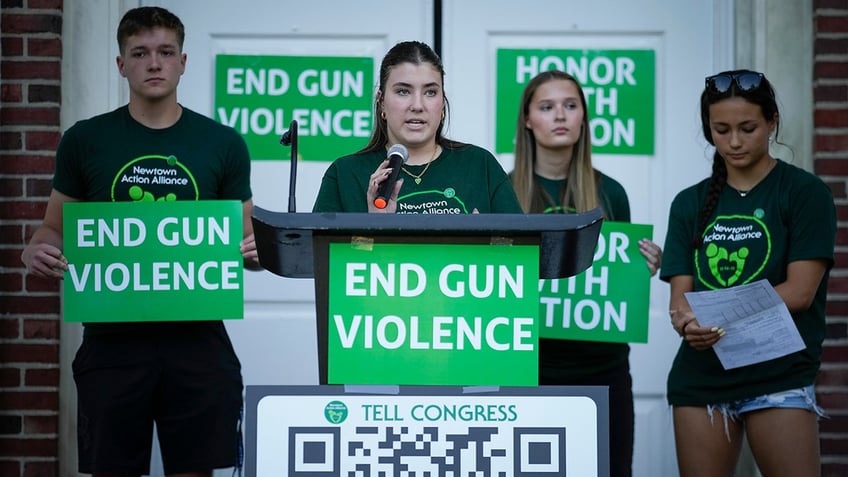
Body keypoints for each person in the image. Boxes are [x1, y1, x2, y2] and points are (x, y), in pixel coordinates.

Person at [20, 7, 259, 477]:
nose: (154, 63)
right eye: (141, 53)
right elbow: (54, 227)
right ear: (121, 64)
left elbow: (245, 242)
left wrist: (254, 254)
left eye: (165, 52)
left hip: (197, 340)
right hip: (112, 340)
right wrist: (37, 246)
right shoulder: (85, 141)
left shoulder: (223, 143)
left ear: (183, 61)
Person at [660, 69, 835, 476]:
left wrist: (716, 315)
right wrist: (688, 325)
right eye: (721, 130)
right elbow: (680, 302)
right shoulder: (688, 203)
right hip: (700, 381)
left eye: (748, 128)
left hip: (780, 378)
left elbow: (801, 291)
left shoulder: (805, 193)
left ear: (772, 121)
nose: (734, 142)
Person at [509, 69, 662, 477]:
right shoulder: (502, 194)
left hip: (603, 373)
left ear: (583, 118)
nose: (560, 115)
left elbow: (619, 280)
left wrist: (639, 268)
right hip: (525, 372)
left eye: (570, 106)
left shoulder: (611, 193)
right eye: (547, 107)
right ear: (527, 119)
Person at [312, 40, 522, 214]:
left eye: (430, 92)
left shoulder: (480, 165)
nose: (418, 105)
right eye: (403, 91)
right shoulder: (345, 174)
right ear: (382, 102)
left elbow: (520, 252)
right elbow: (320, 259)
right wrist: (373, 228)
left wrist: (483, 243)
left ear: (442, 102)